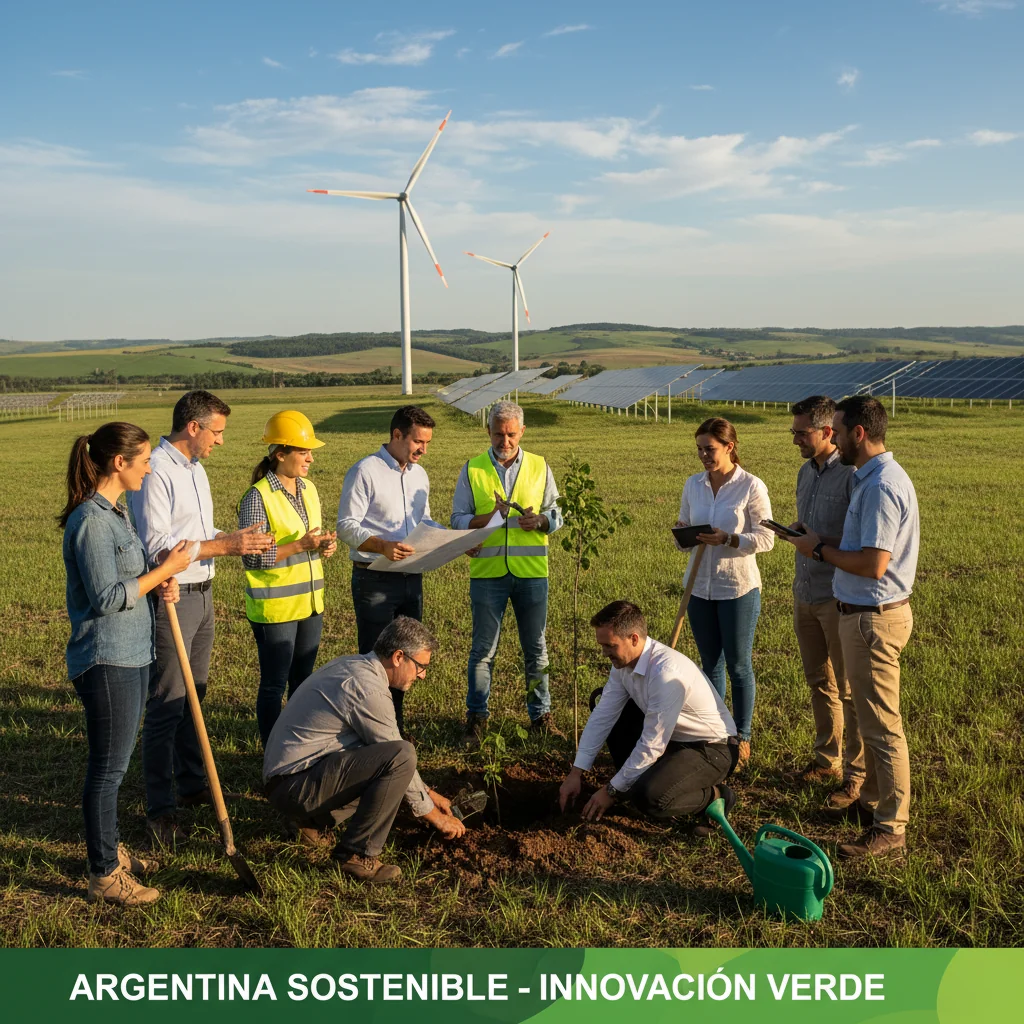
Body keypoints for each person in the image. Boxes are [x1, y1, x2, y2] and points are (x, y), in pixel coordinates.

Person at [130, 390, 275, 848]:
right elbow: (157, 545)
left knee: (197, 695)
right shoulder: (156, 471)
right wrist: (223, 547)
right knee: (168, 701)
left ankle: (193, 783)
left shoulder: (196, 470)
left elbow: (196, 534)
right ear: (193, 427)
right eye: (217, 432)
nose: (221, 442)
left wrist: (233, 538)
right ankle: (160, 807)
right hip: (174, 597)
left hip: (205, 593)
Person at [60, 422, 194, 905]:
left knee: (113, 766)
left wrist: (161, 584)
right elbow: (106, 597)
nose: (150, 467)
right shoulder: (91, 521)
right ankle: (103, 875)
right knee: (108, 770)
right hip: (106, 658)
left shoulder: (117, 513)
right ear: (120, 463)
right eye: (143, 460)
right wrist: (164, 570)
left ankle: (109, 853)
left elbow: (131, 581)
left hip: (133, 652)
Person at [784, 396, 918, 860]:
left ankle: (891, 826)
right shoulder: (873, 478)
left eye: (838, 430)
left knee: (881, 726)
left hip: (872, 618)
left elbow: (873, 563)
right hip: (861, 615)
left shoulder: (880, 486)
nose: (833, 437)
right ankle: (869, 804)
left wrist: (820, 553)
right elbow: (861, 544)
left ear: (858, 433)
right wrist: (820, 540)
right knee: (868, 714)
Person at [263, 617, 467, 883]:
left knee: (390, 764)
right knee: (401, 756)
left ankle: (310, 822)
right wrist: (437, 819)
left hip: (291, 780)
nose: (423, 675)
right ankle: (356, 855)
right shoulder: (367, 690)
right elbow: (396, 758)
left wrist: (429, 794)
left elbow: (382, 758)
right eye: (420, 666)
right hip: (293, 787)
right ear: (398, 657)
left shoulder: (356, 665)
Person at [559, 602, 738, 831]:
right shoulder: (622, 666)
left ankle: (716, 797)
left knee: (650, 797)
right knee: (607, 706)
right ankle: (632, 781)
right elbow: (603, 716)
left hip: (711, 749)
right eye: (602, 645)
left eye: (610, 646)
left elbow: (652, 744)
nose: (604, 653)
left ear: (634, 638)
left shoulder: (666, 674)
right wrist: (576, 772)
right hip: (674, 740)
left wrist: (612, 790)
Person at [451, 399, 565, 746]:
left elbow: (557, 512)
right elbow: (457, 520)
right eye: (499, 434)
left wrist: (541, 521)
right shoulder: (472, 469)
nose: (505, 441)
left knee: (537, 649)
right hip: (487, 574)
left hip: (531, 573)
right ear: (488, 431)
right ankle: (477, 717)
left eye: (511, 434)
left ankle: (541, 715)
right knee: (483, 650)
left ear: (522, 432)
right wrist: (490, 518)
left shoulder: (540, 466)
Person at [336, 405, 441, 737]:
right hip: (375, 577)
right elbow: (345, 525)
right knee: (376, 659)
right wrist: (381, 545)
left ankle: (394, 727)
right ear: (397, 435)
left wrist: (451, 539)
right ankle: (372, 731)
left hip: (413, 577)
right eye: (418, 442)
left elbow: (423, 522)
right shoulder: (365, 471)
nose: (423, 449)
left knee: (407, 659)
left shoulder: (419, 475)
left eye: (427, 443)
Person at [675, 417, 774, 769]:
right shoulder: (693, 485)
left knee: (738, 664)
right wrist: (685, 534)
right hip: (699, 586)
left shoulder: (751, 486)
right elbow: (685, 526)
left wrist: (728, 539)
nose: (704, 455)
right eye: (700, 449)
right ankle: (717, 733)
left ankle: (742, 737)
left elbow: (766, 539)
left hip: (737, 588)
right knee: (709, 665)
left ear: (729, 447)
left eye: (710, 449)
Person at [239, 410, 337, 747]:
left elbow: (311, 541)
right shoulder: (258, 497)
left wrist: (324, 546)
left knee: (303, 683)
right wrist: (301, 544)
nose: (311, 458)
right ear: (280, 454)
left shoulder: (309, 489)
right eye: (303, 451)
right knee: (274, 685)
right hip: (276, 610)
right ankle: (271, 753)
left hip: (310, 605)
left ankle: (296, 747)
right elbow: (252, 555)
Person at [782, 396, 863, 804]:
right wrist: (798, 531)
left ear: (827, 431)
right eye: (794, 431)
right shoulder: (804, 472)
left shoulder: (851, 475)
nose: (794, 438)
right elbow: (814, 530)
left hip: (837, 595)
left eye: (801, 432)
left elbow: (858, 542)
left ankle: (856, 776)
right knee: (819, 681)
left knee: (848, 689)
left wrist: (815, 543)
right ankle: (826, 758)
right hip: (805, 591)